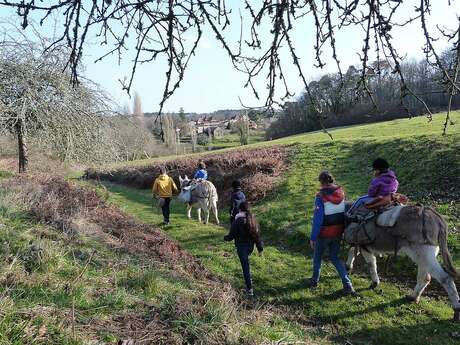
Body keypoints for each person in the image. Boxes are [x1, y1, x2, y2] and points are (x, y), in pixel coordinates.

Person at [309, 171, 354, 294]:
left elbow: (318, 221)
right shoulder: (341, 193)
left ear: (321, 182)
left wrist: (313, 237)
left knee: (317, 257)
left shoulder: (320, 197)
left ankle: (314, 281)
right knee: (334, 258)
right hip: (338, 232)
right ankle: (348, 284)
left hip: (324, 233)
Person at [224, 201, 263, 296]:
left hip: (242, 248)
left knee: (245, 268)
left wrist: (225, 238)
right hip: (250, 247)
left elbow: (231, 235)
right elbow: (257, 235)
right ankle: (248, 279)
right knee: (246, 265)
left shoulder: (238, 220)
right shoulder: (253, 219)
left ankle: (249, 290)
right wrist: (260, 248)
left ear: (240, 210)